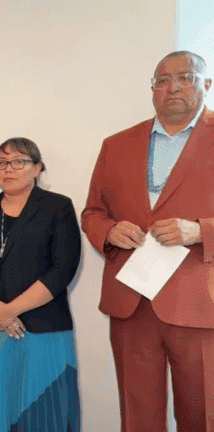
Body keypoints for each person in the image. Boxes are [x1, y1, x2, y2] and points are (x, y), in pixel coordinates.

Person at [81, 50, 214, 431]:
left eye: (185, 77)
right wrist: (107, 231)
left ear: (206, 84)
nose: (172, 87)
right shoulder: (116, 145)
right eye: (161, 80)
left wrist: (200, 230)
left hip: (199, 304)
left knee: (202, 414)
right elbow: (92, 212)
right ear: (152, 89)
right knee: (137, 417)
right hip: (131, 302)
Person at [0, 138, 81, 432]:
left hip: (41, 329)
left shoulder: (57, 207)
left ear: (36, 168)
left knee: (40, 416)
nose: (8, 168)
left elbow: (62, 269)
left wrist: (11, 310)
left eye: (18, 161)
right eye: (1, 162)